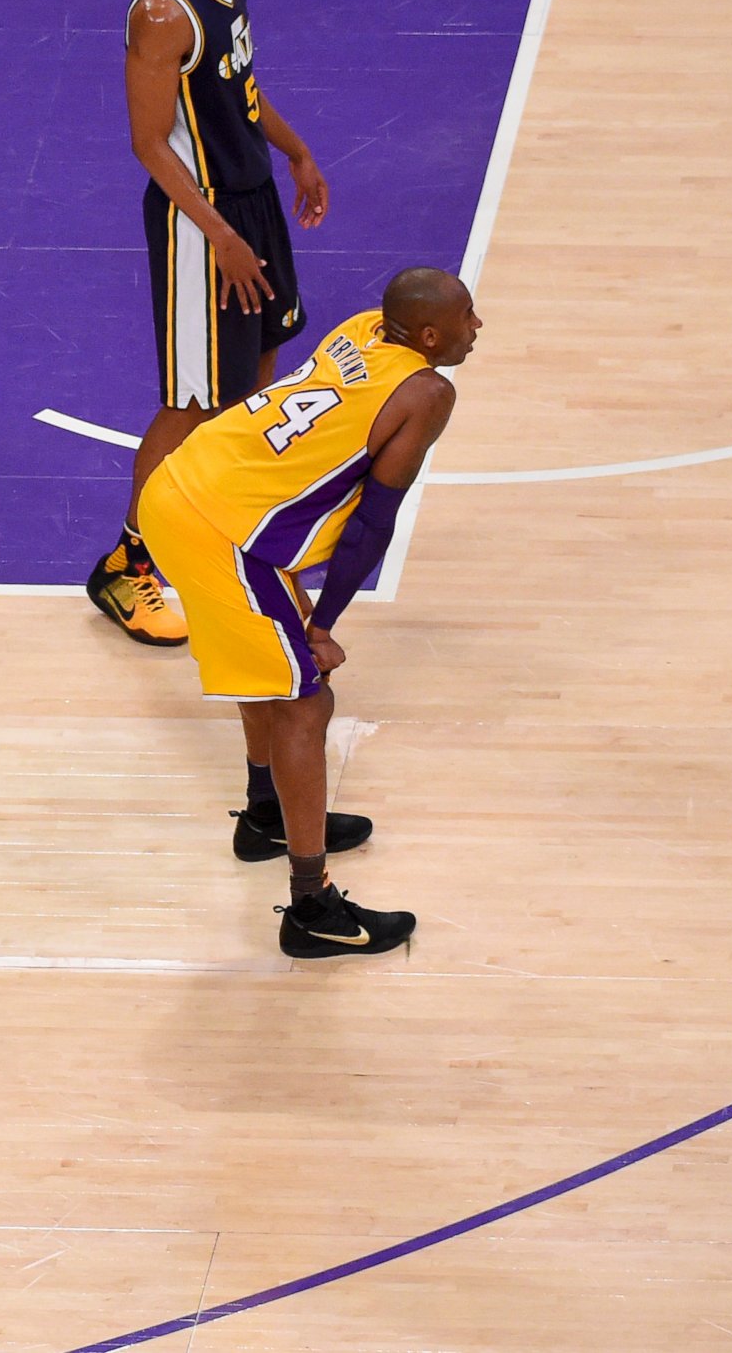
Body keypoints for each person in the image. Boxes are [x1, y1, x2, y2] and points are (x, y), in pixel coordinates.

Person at [136, 267, 479, 958]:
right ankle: (311, 908)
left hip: (183, 483)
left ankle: (267, 815)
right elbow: (372, 524)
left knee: (268, 668)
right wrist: (322, 625)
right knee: (305, 704)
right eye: (470, 317)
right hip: (227, 533)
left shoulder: (362, 327)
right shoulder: (428, 392)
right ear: (433, 336)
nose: (479, 328)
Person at [87, 0, 330, 647]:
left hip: (251, 202)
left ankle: (219, 533)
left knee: (252, 383)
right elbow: (149, 143)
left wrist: (294, 151)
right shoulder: (162, 11)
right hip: (203, 224)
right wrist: (219, 232)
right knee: (192, 403)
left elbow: (243, 94)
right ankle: (128, 565)